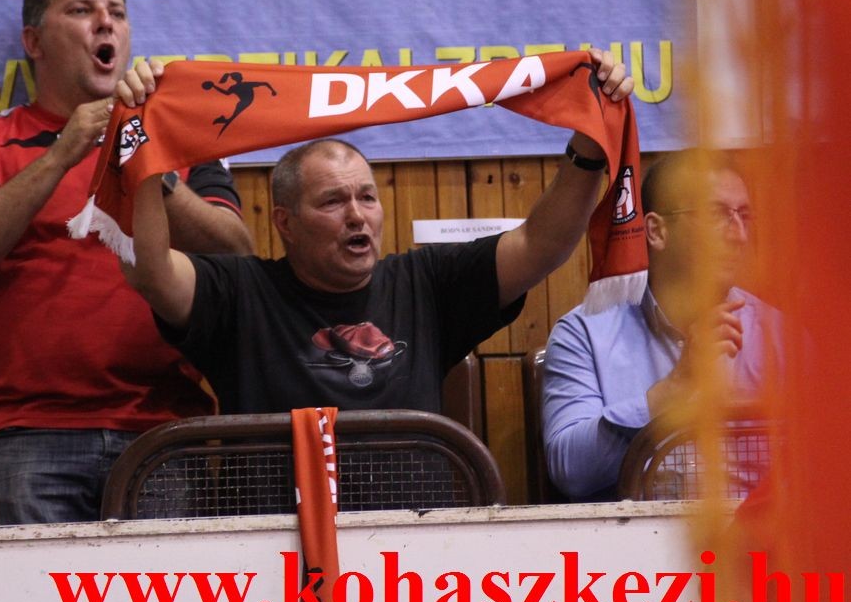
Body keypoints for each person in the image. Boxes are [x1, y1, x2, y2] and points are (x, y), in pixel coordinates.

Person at [119, 50, 633, 415]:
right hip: (271, 532)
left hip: (411, 532)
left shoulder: (427, 284)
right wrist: (140, 152)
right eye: (332, 201)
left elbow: (541, 244)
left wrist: (589, 144)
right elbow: (150, 270)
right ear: (285, 223)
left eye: (366, 197)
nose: (356, 215)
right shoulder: (239, 294)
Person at [0, 0, 254, 524]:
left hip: (164, 431)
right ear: (34, 41)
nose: (106, 23)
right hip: (32, 433)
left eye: (117, 13)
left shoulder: (180, 138)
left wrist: (150, 160)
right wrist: (61, 155)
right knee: (35, 587)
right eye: (81, 10)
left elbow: (237, 257)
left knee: (173, 587)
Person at [542, 150, 780, 501]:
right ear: (656, 231)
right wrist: (675, 387)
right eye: (717, 214)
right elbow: (570, 472)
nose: (739, 235)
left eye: (744, 216)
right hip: (635, 533)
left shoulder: (781, 336)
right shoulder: (584, 335)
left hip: (756, 530)